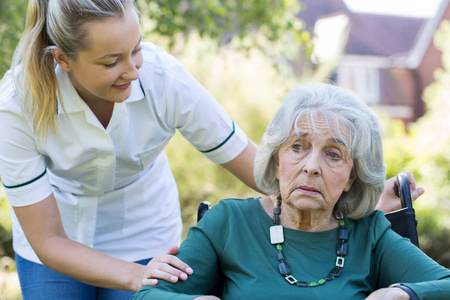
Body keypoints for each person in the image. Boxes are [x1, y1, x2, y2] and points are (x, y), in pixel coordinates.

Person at [0, 0, 423, 298]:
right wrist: (134, 277)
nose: (133, 69)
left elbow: (264, 169)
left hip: (146, 231)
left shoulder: (163, 79)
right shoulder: (17, 103)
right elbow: (48, 239)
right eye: (111, 62)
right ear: (63, 59)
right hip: (58, 238)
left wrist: (359, 198)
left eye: (137, 49)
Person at [132, 83, 450, 300]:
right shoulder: (229, 223)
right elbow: (147, 294)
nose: (312, 166)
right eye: (298, 146)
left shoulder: (370, 235)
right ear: (276, 158)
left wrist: (403, 293)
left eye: (333, 154)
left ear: (352, 176)